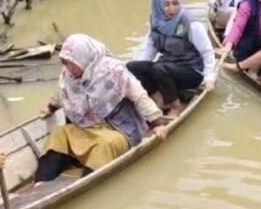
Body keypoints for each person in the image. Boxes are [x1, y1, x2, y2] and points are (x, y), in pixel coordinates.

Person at [36, 34, 169, 182]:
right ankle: (41, 182)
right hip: (84, 126)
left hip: (115, 128)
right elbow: (62, 94)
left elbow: (139, 96)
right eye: (66, 63)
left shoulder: (114, 71)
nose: (69, 69)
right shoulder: (68, 74)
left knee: (102, 146)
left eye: (73, 64)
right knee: (58, 135)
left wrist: (157, 123)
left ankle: (84, 184)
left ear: (85, 58)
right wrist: (51, 107)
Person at [127, 0, 216, 118]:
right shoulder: (156, 21)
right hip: (168, 67)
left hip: (191, 71)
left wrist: (209, 77)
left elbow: (207, 51)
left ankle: (175, 106)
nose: (172, 9)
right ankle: (158, 96)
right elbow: (150, 50)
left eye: (175, 3)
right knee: (132, 66)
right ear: (158, 5)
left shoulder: (191, 24)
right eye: (167, 4)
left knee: (159, 68)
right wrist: (139, 70)